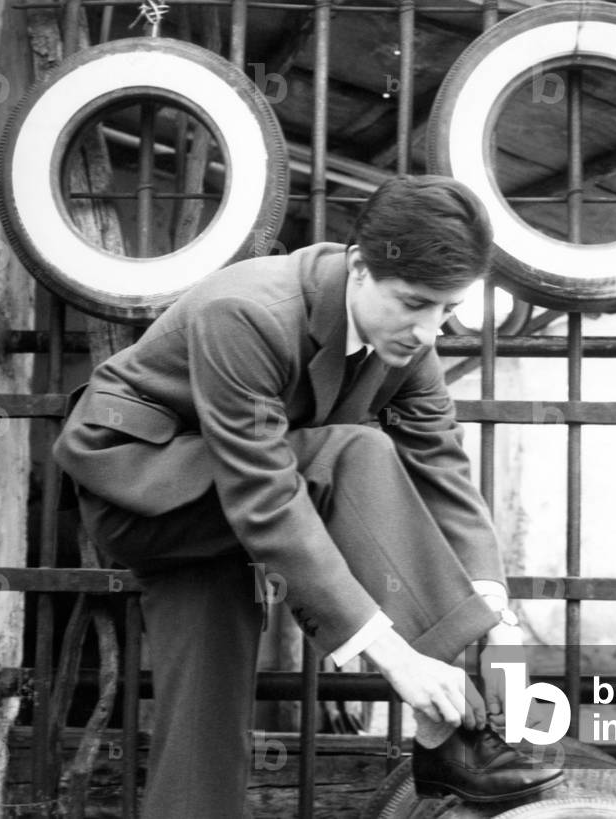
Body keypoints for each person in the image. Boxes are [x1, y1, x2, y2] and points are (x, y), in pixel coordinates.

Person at [53, 174, 563, 818]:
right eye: (414, 303)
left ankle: (457, 720)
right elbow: (265, 494)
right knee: (356, 450)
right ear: (357, 268)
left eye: (447, 309)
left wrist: (496, 617)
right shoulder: (245, 311)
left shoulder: (409, 342)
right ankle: (463, 733)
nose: (429, 330)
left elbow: (443, 471)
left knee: (203, 720)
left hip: (227, 510)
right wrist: (398, 659)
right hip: (144, 492)